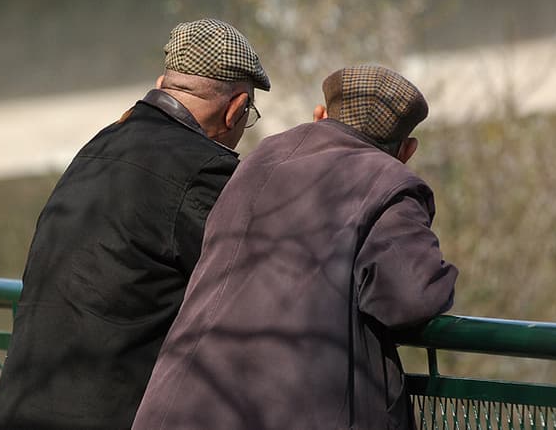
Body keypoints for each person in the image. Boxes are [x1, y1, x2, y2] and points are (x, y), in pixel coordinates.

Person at [132, 65, 458, 430]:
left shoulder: (259, 159)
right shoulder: (392, 182)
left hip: (181, 406)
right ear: (407, 150)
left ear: (319, 116)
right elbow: (409, 300)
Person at [0, 18, 270, 430]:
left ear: (161, 83)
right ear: (236, 109)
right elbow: (257, 289)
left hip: (22, 407)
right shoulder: (204, 171)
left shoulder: (98, 147)